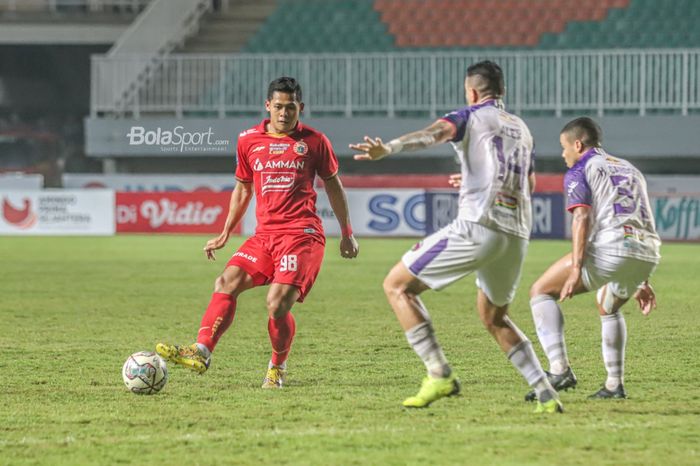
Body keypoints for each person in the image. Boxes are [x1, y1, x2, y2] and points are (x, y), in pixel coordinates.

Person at [350, 61, 562, 413]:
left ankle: (439, 373)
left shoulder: (469, 115)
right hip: (516, 234)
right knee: (494, 316)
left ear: (472, 91)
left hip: (479, 226)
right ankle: (545, 393)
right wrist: (479, 184)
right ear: (502, 91)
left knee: (397, 285)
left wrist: (389, 148)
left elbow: (431, 134)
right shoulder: (522, 129)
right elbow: (529, 184)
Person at [157, 77, 359, 388]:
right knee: (226, 281)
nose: (283, 113)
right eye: (278, 107)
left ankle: (277, 367)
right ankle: (201, 351)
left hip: (301, 235)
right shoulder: (248, 140)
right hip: (264, 237)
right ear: (268, 106)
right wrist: (226, 232)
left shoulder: (316, 142)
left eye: (290, 107)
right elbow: (242, 189)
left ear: (300, 108)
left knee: (276, 303)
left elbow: (334, 185)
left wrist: (346, 232)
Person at [525, 117, 660, 401]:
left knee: (540, 291)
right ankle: (614, 385)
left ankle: (559, 369)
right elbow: (641, 216)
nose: (563, 155)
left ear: (578, 144)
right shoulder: (630, 168)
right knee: (607, 306)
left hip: (611, 248)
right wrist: (642, 278)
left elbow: (582, 216)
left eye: (564, 147)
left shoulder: (581, 168)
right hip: (647, 250)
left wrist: (576, 268)